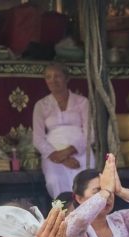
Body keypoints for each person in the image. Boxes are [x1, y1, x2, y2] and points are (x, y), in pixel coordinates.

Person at [32, 62, 94, 198]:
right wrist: (61, 159)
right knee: (55, 183)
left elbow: (90, 134)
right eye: (48, 77)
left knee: (86, 188)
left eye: (57, 76)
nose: (53, 80)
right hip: (53, 156)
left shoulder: (82, 102)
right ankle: (65, 218)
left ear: (67, 78)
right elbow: (38, 139)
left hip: (81, 153)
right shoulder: (41, 105)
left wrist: (68, 152)